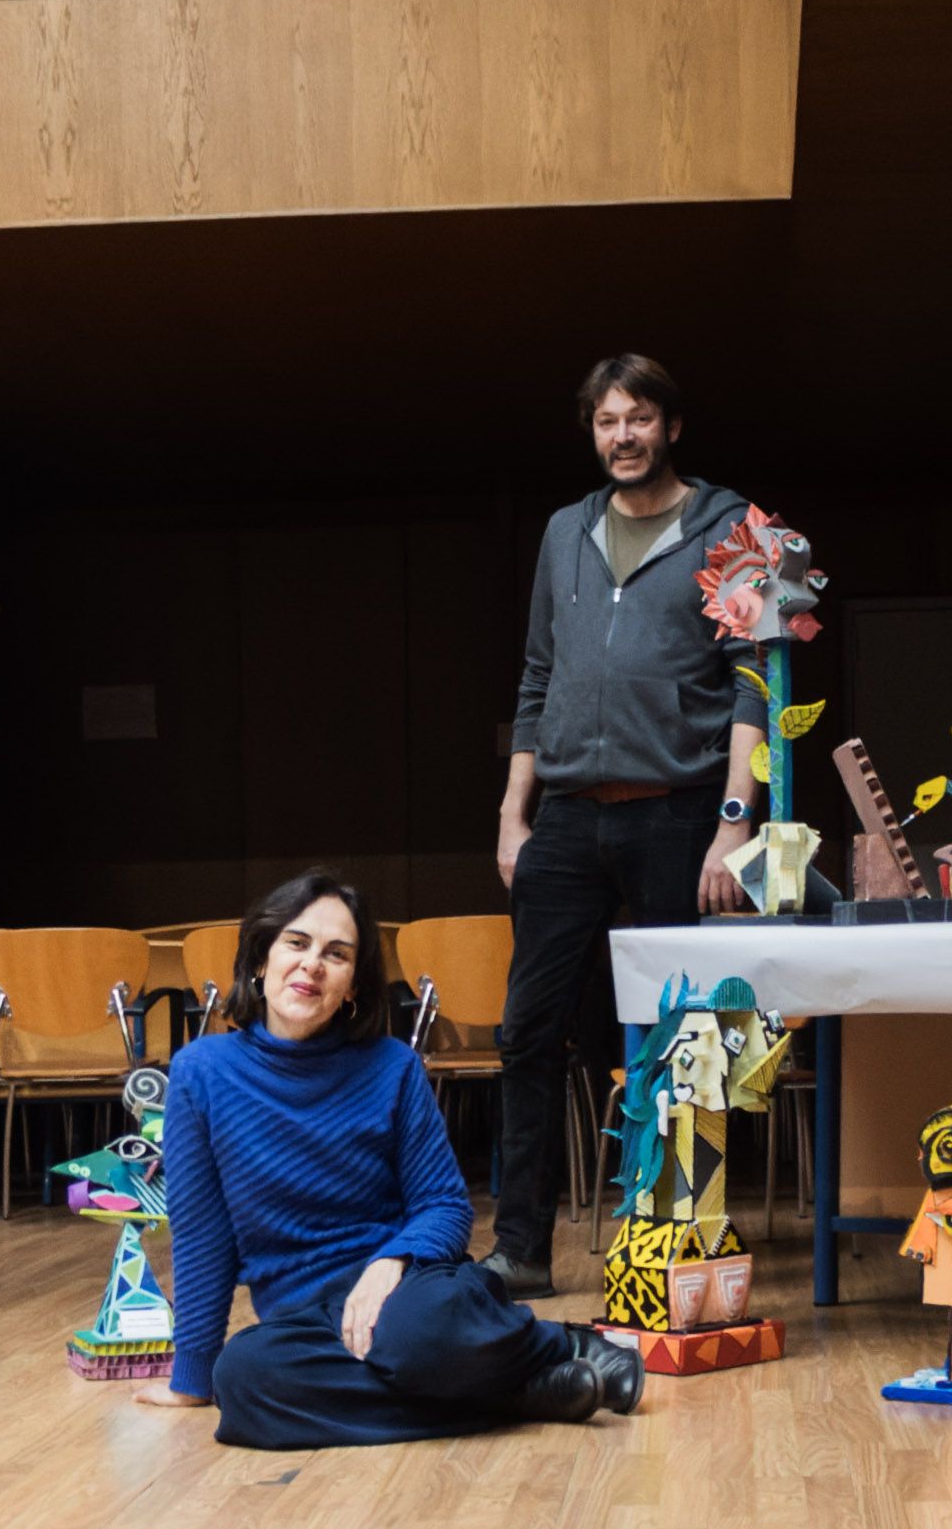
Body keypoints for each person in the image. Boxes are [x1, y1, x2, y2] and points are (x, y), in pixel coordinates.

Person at [132, 871, 643, 1447]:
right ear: (260, 960)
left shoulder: (390, 1066)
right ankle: (516, 1393)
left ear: (353, 986)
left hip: (408, 1296)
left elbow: (445, 1207)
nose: (311, 965)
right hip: (307, 1325)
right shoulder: (201, 1072)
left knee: (422, 1333)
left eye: (337, 954)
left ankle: (560, 1344)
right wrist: (193, 1376)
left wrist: (391, 1261)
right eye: (296, 944)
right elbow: (203, 1237)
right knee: (243, 1382)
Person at [485, 355, 768, 1297]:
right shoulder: (565, 532)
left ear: (671, 428)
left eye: (639, 419)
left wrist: (734, 826)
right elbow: (535, 676)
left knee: (681, 1040)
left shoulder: (730, 528)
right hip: (565, 818)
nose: (622, 437)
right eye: (606, 422)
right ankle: (520, 1250)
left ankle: (671, 1241)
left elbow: (756, 686)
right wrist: (511, 815)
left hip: (679, 817)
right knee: (527, 1034)